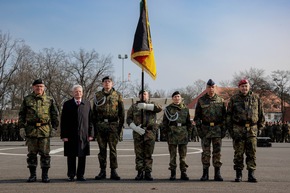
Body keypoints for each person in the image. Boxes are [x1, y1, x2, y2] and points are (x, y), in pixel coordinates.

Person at [18, 79, 59, 183]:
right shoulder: (27, 99)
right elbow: (22, 114)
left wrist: (54, 128)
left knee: (45, 154)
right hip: (31, 130)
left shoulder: (49, 100)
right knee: (32, 154)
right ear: (33, 87)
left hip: (44, 130)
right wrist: (21, 127)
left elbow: (54, 115)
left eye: (41, 86)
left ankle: (45, 175)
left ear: (44, 87)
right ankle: (32, 175)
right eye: (37, 86)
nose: (39, 88)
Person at [227, 79, 265, 183]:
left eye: (246, 86)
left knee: (251, 153)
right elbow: (229, 116)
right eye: (242, 86)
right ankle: (238, 174)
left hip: (252, 130)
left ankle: (251, 174)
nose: (244, 88)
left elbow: (261, 114)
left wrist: (260, 128)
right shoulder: (234, 99)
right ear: (239, 87)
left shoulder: (256, 98)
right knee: (238, 153)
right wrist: (231, 130)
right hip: (238, 129)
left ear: (249, 86)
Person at [194, 79, 227, 181]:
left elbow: (225, 118)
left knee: (217, 152)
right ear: (206, 88)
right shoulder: (201, 100)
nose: (211, 89)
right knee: (206, 153)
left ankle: (217, 173)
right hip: (205, 129)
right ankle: (205, 174)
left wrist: (223, 130)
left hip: (217, 129)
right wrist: (199, 130)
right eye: (209, 87)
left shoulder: (220, 101)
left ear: (215, 88)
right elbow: (197, 117)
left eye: (212, 87)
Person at [93, 76, 124, 180]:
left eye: (109, 81)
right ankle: (102, 171)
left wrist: (120, 129)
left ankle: (113, 171)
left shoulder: (118, 95)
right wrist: (95, 128)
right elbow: (94, 113)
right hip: (101, 125)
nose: (107, 83)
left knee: (113, 150)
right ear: (102, 84)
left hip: (113, 125)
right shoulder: (97, 95)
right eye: (105, 82)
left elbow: (122, 113)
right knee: (102, 150)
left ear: (112, 84)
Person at [60, 85, 94, 182]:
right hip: (70, 135)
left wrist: (91, 134)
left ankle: (80, 175)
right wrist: (64, 135)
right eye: (76, 91)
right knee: (71, 156)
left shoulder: (87, 104)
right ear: (72, 93)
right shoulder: (67, 104)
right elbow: (63, 121)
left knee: (82, 156)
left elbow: (90, 120)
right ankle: (71, 175)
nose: (78, 93)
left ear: (82, 93)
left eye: (79, 91)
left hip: (84, 135)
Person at [127, 90, 162, 181]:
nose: (143, 96)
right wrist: (135, 127)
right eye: (141, 94)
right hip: (138, 132)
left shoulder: (152, 104)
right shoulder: (134, 106)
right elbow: (129, 119)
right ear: (139, 96)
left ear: (148, 96)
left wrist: (147, 106)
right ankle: (139, 172)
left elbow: (159, 108)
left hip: (150, 132)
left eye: (145, 94)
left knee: (148, 154)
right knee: (139, 154)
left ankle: (148, 172)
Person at [162, 91, 192, 181]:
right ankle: (173, 173)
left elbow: (188, 123)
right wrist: (166, 135)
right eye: (175, 97)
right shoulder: (168, 109)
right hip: (172, 134)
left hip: (183, 134)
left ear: (181, 98)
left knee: (183, 156)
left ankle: (183, 173)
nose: (177, 98)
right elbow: (164, 123)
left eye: (178, 96)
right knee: (172, 156)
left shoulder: (185, 109)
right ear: (172, 98)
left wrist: (189, 134)